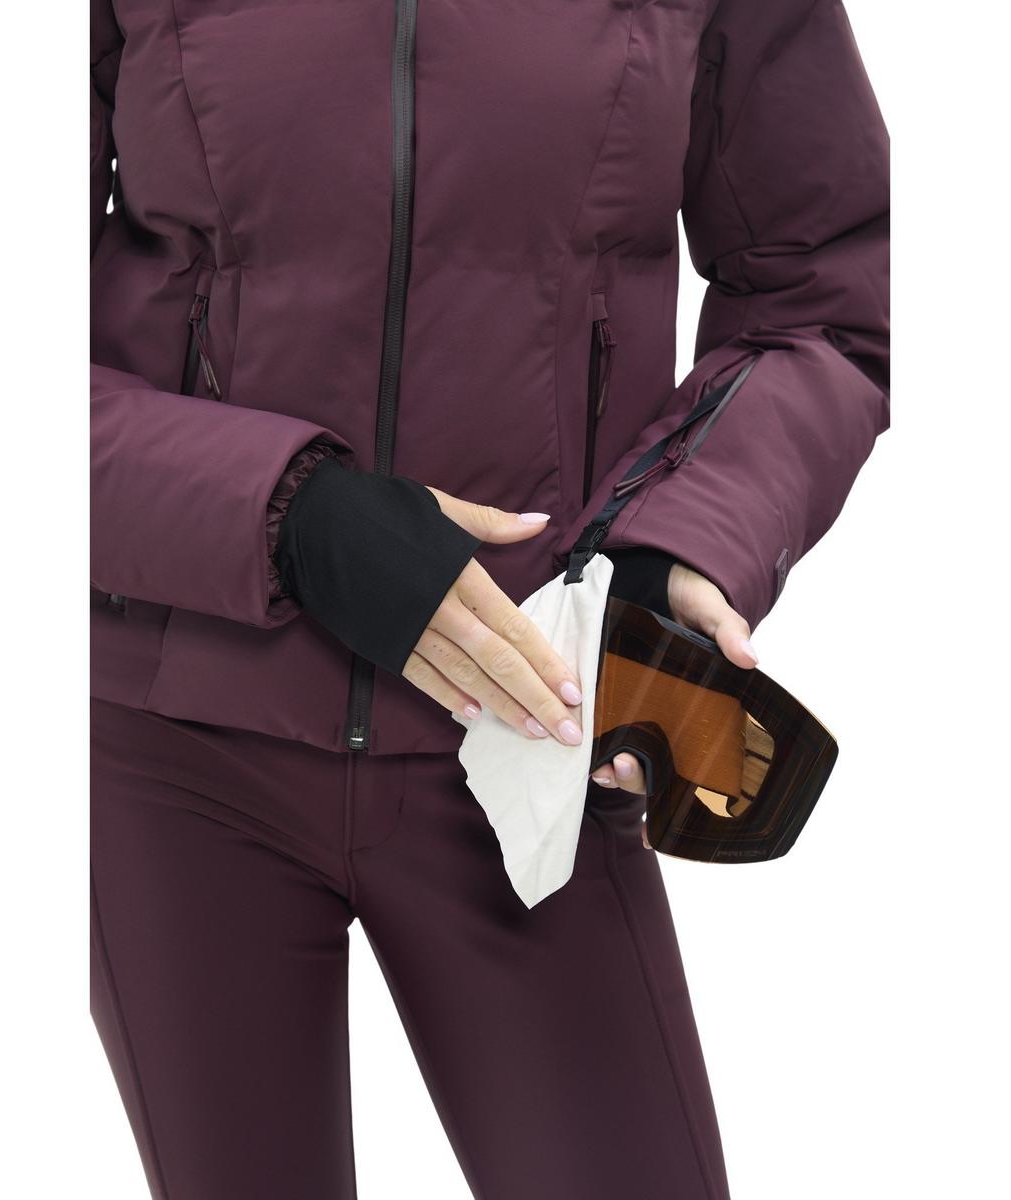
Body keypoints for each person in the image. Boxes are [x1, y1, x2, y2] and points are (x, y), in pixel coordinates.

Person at [90, 0, 889, 1195]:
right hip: (174, 745)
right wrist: (288, 514)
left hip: (528, 734)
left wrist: (670, 538)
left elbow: (825, 292)